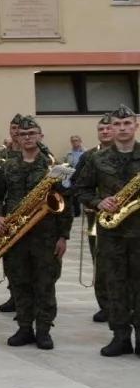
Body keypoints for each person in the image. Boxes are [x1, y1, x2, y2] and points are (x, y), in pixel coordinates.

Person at [0, 115, 70, 351]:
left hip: (46, 236)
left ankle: (43, 330)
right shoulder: (7, 166)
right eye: (23, 134)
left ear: (40, 136)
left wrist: (64, 236)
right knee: (20, 282)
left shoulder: (56, 167)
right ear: (17, 137)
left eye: (32, 133)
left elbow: (67, 202)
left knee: (45, 284)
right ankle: (24, 328)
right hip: (15, 235)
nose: (27, 138)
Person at [73, 105, 140, 357]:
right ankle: (120, 336)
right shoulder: (96, 159)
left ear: (135, 125)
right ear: (110, 128)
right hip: (111, 232)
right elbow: (81, 190)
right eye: (117, 125)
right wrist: (98, 202)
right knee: (115, 284)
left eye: (127, 124)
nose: (122, 129)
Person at [73, 114, 115, 323]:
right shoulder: (89, 156)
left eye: (108, 128)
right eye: (101, 129)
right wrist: (92, 202)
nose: (105, 132)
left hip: (130, 217)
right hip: (97, 216)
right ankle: (105, 305)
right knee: (100, 261)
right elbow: (77, 184)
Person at [65, 135, 85, 217]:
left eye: (76, 140)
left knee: (84, 194)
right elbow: (66, 165)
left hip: (83, 177)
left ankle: (87, 212)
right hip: (73, 177)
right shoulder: (68, 154)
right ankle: (77, 213)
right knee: (74, 195)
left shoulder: (86, 152)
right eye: (73, 141)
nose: (74, 142)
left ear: (80, 141)